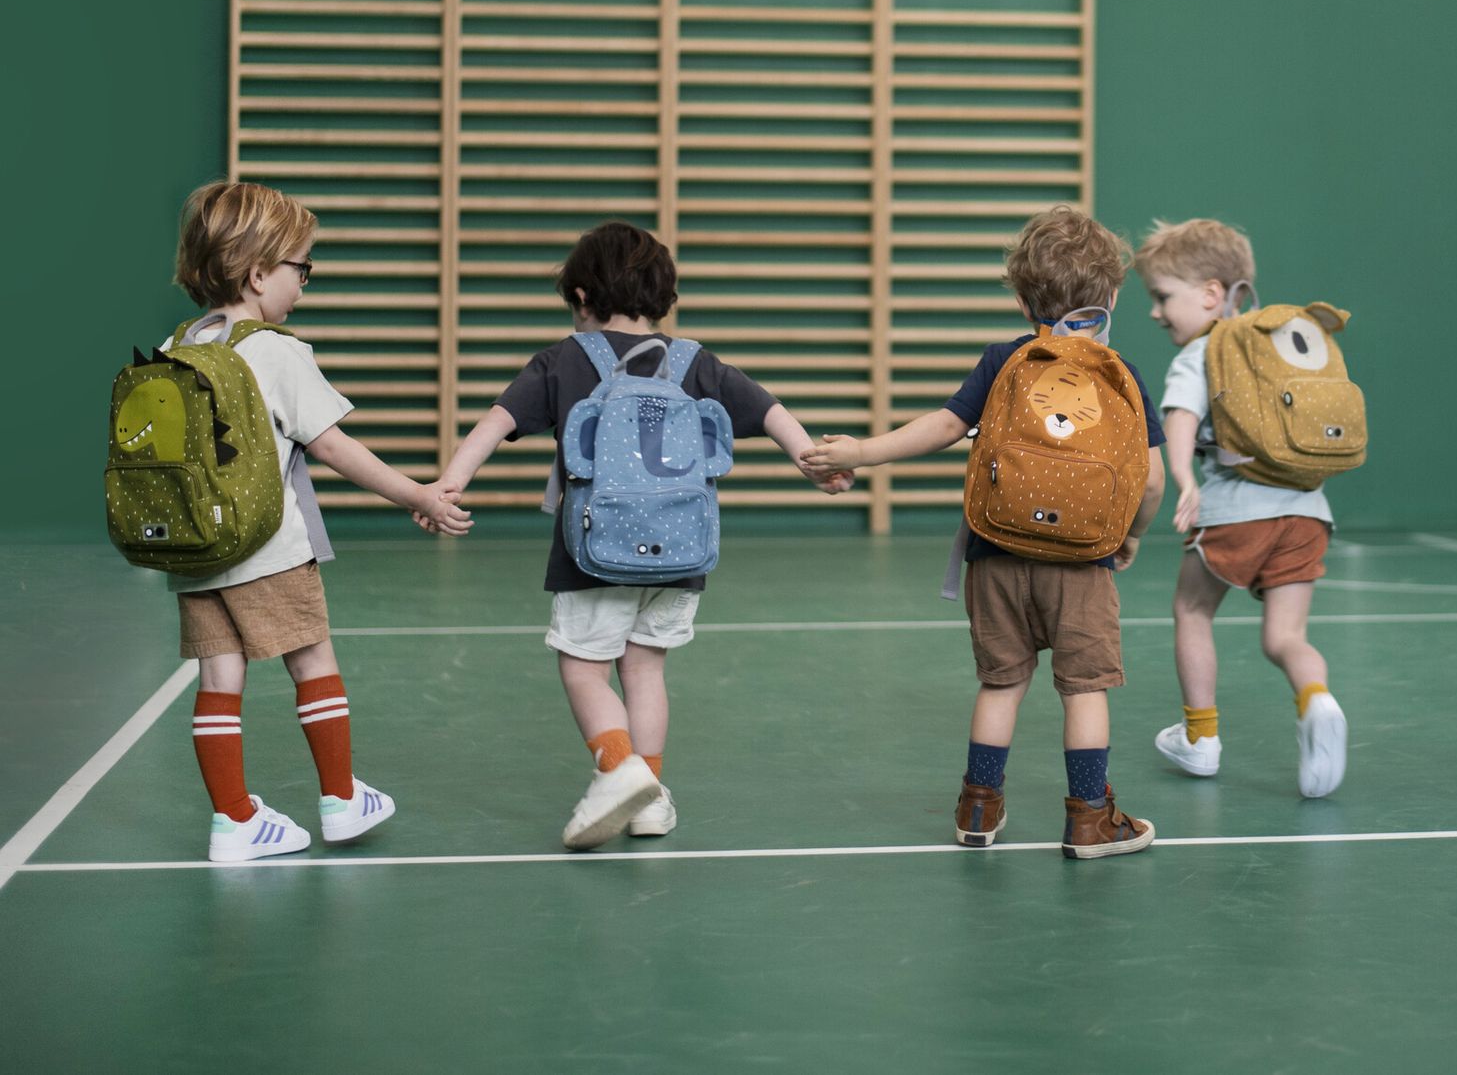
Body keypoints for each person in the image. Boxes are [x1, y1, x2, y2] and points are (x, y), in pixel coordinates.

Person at [428, 220, 849, 849]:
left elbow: (496, 422)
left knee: (583, 669)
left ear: (579, 298)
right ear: (665, 297)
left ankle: (619, 769)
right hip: (681, 552)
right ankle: (651, 796)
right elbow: (768, 408)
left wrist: (448, 486)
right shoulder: (695, 363)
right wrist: (810, 460)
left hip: (595, 551)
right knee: (645, 669)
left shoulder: (564, 360)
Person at [803, 205, 1167, 858]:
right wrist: (1130, 536)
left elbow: (943, 427)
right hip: (1083, 565)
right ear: (1112, 296)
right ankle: (1089, 819)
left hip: (995, 555)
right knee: (1084, 691)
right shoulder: (1122, 377)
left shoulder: (1005, 361)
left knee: (1002, 683)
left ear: (1023, 297)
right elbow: (1156, 481)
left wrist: (861, 452)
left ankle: (978, 807)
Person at [167, 181, 470, 862]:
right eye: (301, 268)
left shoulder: (180, 343)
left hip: (196, 550)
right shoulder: (274, 350)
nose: (304, 284)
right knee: (313, 662)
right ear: (258, 273)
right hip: (268, 547)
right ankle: (340, 799)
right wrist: (418, 495)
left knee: (219, 680)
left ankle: (234, 820)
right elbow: (334, 446)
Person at [1134, 217, 1346, 797]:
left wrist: (1183, 478)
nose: (1155, 312)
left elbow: (1178, 419)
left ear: (1210, 293)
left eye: (1162, 296)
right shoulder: (1284, 344)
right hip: (1308, 512)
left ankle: (1200, 739)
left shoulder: (1205, 352)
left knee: (1192, 611)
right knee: (1285, 638)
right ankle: (1317, 700)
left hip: (1235, 510)